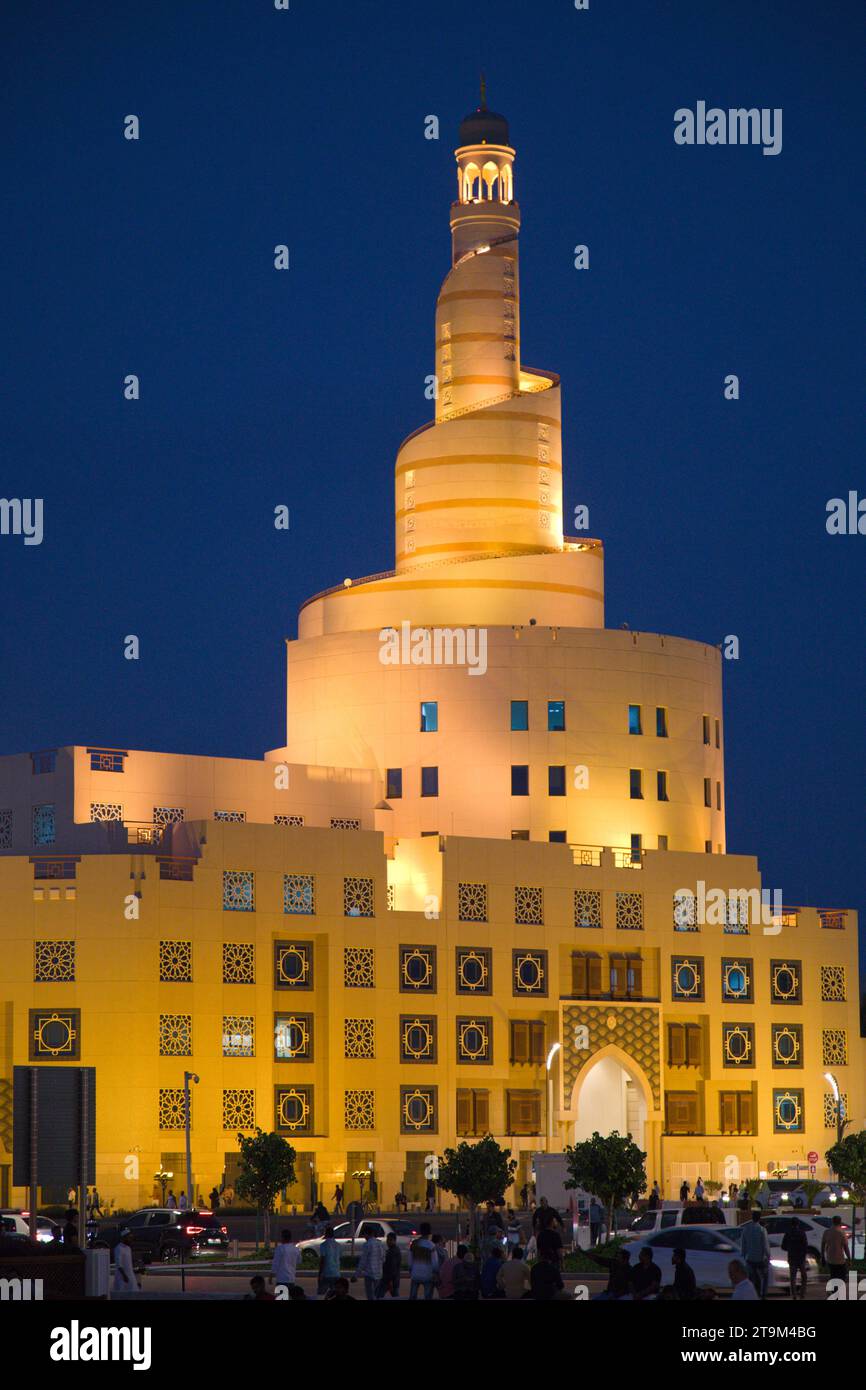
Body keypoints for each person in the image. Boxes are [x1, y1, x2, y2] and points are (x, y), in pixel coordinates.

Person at [740, 1210, 770, 1298]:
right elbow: (765, 1245)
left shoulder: (746, 1229)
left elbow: (743, 1243)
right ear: (759, 1218)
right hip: (760, 1258)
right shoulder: (762, 1229)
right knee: (765, 1276)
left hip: (749, 1258)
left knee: (751, 1278)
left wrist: (744, 1254)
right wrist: (768, 1256)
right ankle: (763, 1294)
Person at [781, 1218, 809, 1299]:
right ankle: (802, 1294)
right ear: (798, 1224)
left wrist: (789, 1249)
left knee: (793, 1277)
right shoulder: (802, 1233)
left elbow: (783, 1246)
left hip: (792, 1257)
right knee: (804, 1277)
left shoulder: (788, 1233)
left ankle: (794, 1295)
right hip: (800, 1258)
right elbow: (805, 1245)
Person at [354, 1230, 384, 1301]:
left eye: (364, 1235)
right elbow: (383, 1258)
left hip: (369, 1273)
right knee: (377, 1295)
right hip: (378, 1273)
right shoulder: (379, 1243)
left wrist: (356, 1275)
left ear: (367, 1234)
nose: (364, 1237)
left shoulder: (367, 1244)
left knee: (370, 1295)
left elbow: (363, 1261)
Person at [408, 1222, 436, 1299]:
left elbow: (410, 1259)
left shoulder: (414, 1244)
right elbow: (435, 1263)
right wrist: (435, 1273)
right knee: (427, 1296)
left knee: (413, 1296)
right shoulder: (431, 1245)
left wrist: (410, 1269)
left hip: (415, 1273)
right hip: (427, 1274)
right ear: (429, 1233)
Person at [821, 1215, 851, 1282]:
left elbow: (823, 1245)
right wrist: (849, 1259)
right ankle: (837, 1290)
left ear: (832, 1222)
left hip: (830, 1258)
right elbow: (845, 1247)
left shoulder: (827, 1232)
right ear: (840, 1222)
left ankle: (833, 1289)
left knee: (833, 1275)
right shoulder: (841, 1232)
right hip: (840, 1259)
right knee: (842, 1276)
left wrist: (822, 1257)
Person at [317, 1226, 341, 1298]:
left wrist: (320, 1273)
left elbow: (323, 1260)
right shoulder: (338, 1245)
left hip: (326, 1273)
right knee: (335, 1295)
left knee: (320, 1294)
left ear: (326, 1234)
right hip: (336, 1273)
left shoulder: (323, 1245)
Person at [377, 1231, 402, 1299]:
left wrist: (390, 1281)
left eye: (390, 1240)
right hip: (391, 1279)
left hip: (389, 1280)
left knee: (378, 1295)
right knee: (395, 1295)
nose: (388, 1242)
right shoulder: (393, 1250)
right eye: (387, 1240)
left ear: (394, 1240)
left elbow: (392, 1267)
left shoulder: (393, 1252)